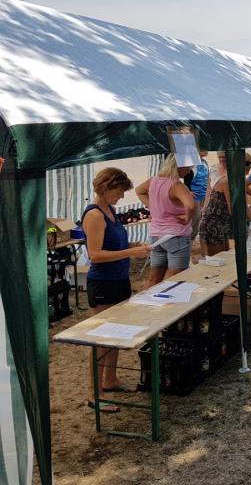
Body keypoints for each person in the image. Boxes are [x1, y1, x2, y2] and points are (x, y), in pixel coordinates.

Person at [82, 168, 151, 412]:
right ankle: (94, 393)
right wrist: (132, 252)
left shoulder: (110, 211)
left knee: (116, 335)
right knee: (101, 338)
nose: (122, 196)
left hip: (120, 279)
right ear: (107, 187)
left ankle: (110, 379)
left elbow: (113, 243)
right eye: (119, 191)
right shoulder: (94, 215)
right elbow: (95, 255)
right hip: (103, 283)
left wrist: (133, 245)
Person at [135, 154, 195, 288]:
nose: (189, 171)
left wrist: (153, 207)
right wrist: (187, 217)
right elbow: (191, 205)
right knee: (175, 280)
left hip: (156, 236)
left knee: (153, 279)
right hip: (176, 235)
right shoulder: (177, 185)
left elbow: (139, 190)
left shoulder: (154, 181)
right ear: (179, 166)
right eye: (188, 167)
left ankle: (145, 300)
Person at [198, 152, 233, 257]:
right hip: (214, 217)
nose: (222, 159)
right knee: (217, 257)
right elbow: (209, 189)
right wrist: (204, 207)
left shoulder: (231, 171)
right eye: (219, 157)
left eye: (224, 157)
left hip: (220, 217)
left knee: (223, 254)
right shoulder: (214, 169)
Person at [188, 151, 210, 241]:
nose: (207, 150)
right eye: (204, 148)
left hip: (204, 196)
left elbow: (208, 179)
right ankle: (189, 241)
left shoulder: (204, 162)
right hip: (194, 197)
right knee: (195, 220)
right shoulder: (190, 163)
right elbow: (184, 179)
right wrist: (188, 191)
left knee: (203, 219)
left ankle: (198, 241)